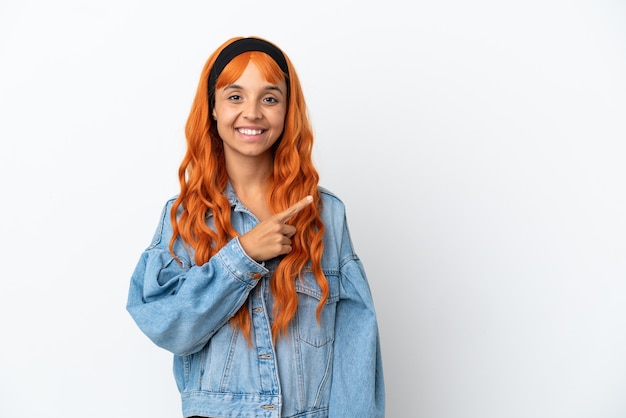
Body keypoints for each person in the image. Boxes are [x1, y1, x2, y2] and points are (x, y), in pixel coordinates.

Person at [126, 36, 385, 418]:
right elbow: (169, 327)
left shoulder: (325, 215)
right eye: (235, 96)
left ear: (287, 109)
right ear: (212, 108)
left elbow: (354, 349)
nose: (252, 112)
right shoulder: (185, 217)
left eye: (269, 98)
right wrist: (242, 255)